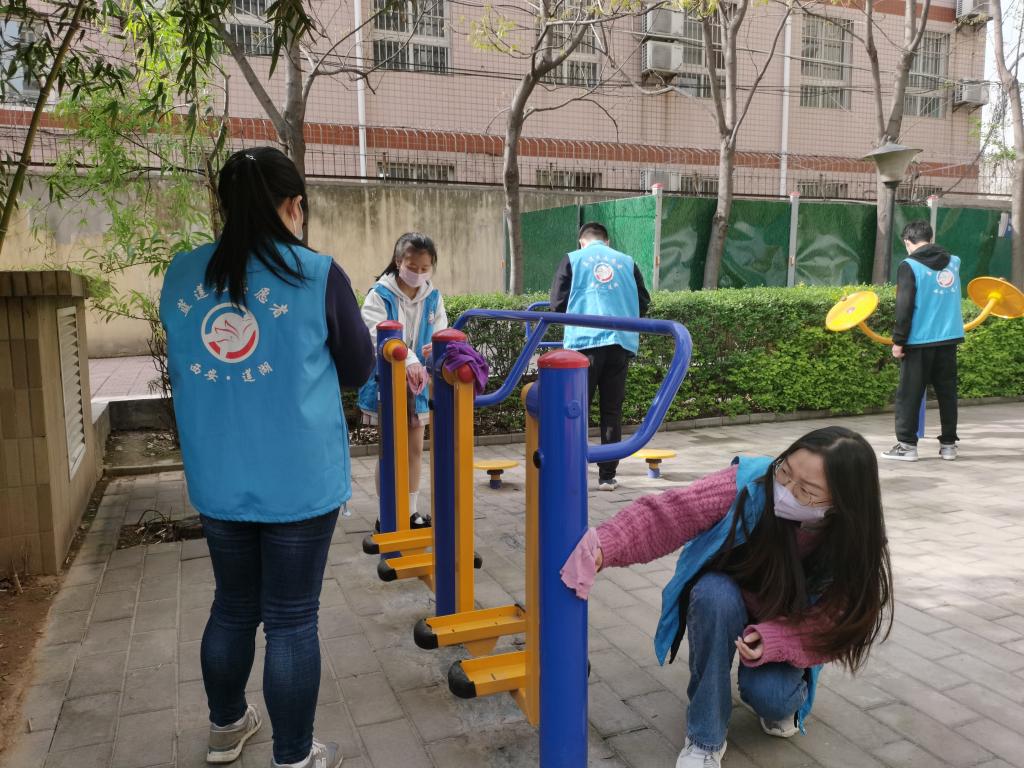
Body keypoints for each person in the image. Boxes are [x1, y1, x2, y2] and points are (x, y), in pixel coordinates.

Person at [159, 147, 373, 768]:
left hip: (219, 475)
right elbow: (358, 368)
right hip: (299, 479)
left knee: (232, 605)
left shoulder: (183, 273)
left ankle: (226, 728)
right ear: (293, 205)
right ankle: (295, 756)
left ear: (223, 204)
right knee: (291, 619)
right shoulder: (316, 273)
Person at [561, 427, 893, 768]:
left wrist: (776, 640)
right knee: (712, 594)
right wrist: (606, 544)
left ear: (842, 503)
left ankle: (787, 695)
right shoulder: (749, 484)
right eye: (784, 471)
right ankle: (704, 738)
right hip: (727, 597)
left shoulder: (856, 544)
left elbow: (836, 619)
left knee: (772, 698)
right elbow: (671, 513)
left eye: (806, 491)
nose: (785, 491)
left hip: (786, 623)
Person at [549, 222, 651, 491]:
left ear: (581, 242)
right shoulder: (627, 261)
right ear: (607, 241)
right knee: (611, 411)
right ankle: (607, 476)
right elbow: (643, 301)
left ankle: (572, 471)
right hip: (620, 341)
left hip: (584, 343)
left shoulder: (573, 259)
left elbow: (557, 304)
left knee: (576, 409)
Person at [358, 232, 448, 528]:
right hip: (387, 382)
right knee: (389, 451)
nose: (418, 273)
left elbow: (441, 330)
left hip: (418, 385)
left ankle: (409, 513)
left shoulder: (433, 298)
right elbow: (375, 332)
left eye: (425, 268)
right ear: (398, 262)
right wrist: (408, 358)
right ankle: (386, 514)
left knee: (414, 449)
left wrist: (435, 347)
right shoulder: (380, 295)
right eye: (412, 267)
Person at [881, 220, 964, 462]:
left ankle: (907, 446)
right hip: (948, 339)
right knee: (947, 394)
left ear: (908, 242)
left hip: (919, 341)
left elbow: (904, 306)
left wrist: (898, 341)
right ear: (930, 237)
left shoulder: (909, 265)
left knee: (909, 395)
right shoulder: (954, 262)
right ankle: (949, 446)